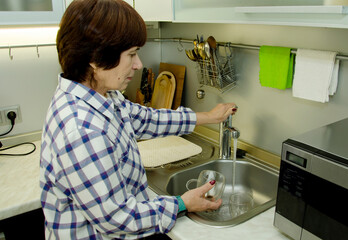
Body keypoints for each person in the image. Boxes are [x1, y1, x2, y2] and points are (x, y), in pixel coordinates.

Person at [39, 0, 237, 239]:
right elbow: (117, 219)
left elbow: (144, 119)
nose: (138, 64)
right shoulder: (83, 129)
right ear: (94, 57)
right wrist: (182, 203)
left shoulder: (100, 95)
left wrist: (209, 116)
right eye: (131, 54)